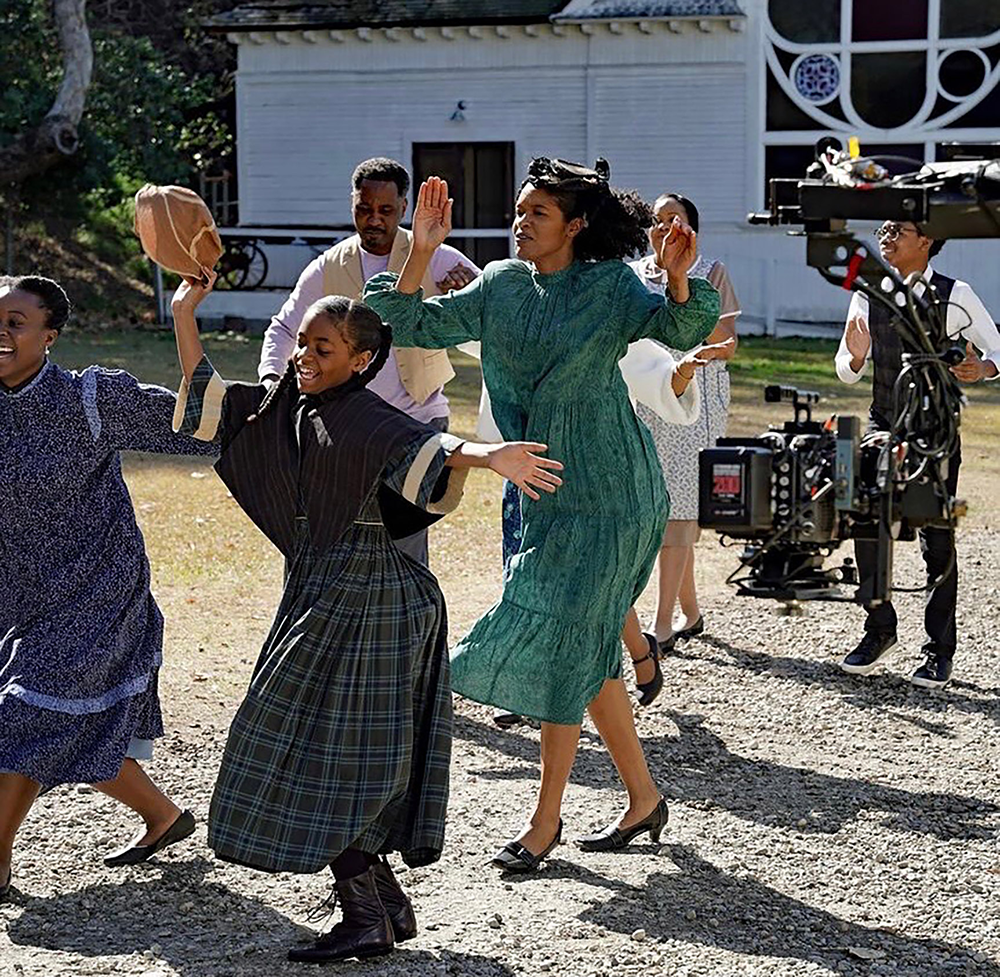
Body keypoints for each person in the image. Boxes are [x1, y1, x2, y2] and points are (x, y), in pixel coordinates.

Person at [170, 281, 560, 961]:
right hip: (325, 590)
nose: (305, 356)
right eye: (302, 344)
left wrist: (490, 456)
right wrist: (183, 313)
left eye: (323, 348)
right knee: (336, 750)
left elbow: (433, 447)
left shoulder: (367, 417)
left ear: (361, 359)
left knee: (324, 749)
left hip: (374, 601)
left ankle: (364, 916)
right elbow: (212, 399)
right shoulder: (289, 405)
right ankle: (383, 903)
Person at [364, 158, 719, 871]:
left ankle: (544, 820)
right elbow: (403, 323)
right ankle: (643, 797)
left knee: (564, 646)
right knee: (587, 646)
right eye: (519, 211)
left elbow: (680, 328)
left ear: (576, 225)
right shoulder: (500, 284)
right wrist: (422, 250)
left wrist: (678, 277)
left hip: (614, 494)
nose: (520, 223)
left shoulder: (611, 286)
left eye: (538, 214)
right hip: (539, 490)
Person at [0, 275, 213, 901]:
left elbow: (199, 423)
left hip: (96, 591)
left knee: (27, 713)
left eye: (15, 323)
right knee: (65, 723)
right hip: (18, 597)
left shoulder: (91, 399)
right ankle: (163, 816)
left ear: (50, 336)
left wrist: (184, 317)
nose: (0, 334)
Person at [258, 157, 481, 565]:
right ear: (352, 205)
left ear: (404, 208)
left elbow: (492, 321)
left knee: (404, 543)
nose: (374, 219)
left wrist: (467, 300)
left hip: (417, 422)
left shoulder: (438, 257)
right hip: (345, 427)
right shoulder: (328, 267)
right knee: (331, 539)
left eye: (386, 210)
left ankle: (411, 607)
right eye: (364, 209)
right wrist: (273, 383)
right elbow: (283, 329)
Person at [835, 220, 1000, 688]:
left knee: (936, 538)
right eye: (883, 228)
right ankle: (879, 629)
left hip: (935, 429)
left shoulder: (956, 294)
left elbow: (997, 347)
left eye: (898, 229)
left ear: (926, 240)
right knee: (866, 521)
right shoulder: (867, 292)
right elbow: (846, 368)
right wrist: (855, 356)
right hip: (882, 424)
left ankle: (938, 651)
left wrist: (984, 368)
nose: (885, 236)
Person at [630, 192, 740, 655]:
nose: (664, 228)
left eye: (673, 220)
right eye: (657, 220)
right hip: (643, 398)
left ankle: (662, 624)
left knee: (678, 513)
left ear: (692, 229)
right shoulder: (633, 275)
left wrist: (685, 293)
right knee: (663, 510)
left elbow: (727, 342)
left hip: (695, 399)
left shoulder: (710, 271)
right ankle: (690, 612)